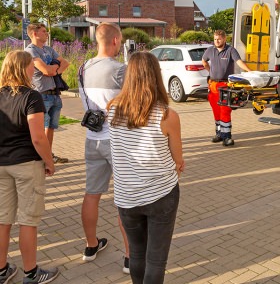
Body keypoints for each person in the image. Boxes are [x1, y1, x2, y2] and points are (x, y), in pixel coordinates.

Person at [107, 52, 184, 284]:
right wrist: (178, 164)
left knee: (137, 254)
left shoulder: (112, 109)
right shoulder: (166, 114)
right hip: (161, 194)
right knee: (156, 260)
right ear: (156, 76)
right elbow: (177, 156)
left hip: (126, 196)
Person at [0, 51, 59, 284]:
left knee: (3, 219)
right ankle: (31, 274)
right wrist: (49, 160)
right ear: (22, 69)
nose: (33, 70)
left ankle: (2, 270)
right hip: (26, 164)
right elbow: (38, 138)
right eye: (30, 66)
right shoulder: (31, 97)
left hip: (1, 165)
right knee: (28, 220)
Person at [78, 23, 130, 273]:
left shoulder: (82, 68)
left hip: (92, 137)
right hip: (117, 139)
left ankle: (90, 245)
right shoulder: (121, 69)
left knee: (92, 193)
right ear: (116, 41)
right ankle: (131, 256)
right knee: (125, 197)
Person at [24, 23, 70, 164]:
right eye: (44, 31)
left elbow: (66, 63)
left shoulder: (48, 49)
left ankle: (48, 156)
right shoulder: (30, 51)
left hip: (54, 94)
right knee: (40, 128)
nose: (47, 33)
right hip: (41, 94)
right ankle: (39, 157)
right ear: (35, 34)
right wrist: (55, 67)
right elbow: (45, 70)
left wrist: (54, 70)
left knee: (51, 127)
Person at [201, 30, 251, 146]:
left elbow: (239, 62)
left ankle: (227, 137)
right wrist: (210, 71)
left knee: (225, 111)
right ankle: (219, 134)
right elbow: (204, 61)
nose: (216, 41)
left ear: (224, 39)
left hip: (225, 86)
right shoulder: (210, 50)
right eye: (215, 39)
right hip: (213, 86)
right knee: (216, 111)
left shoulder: (230, 50)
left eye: (218, 39)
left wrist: (250, 72)